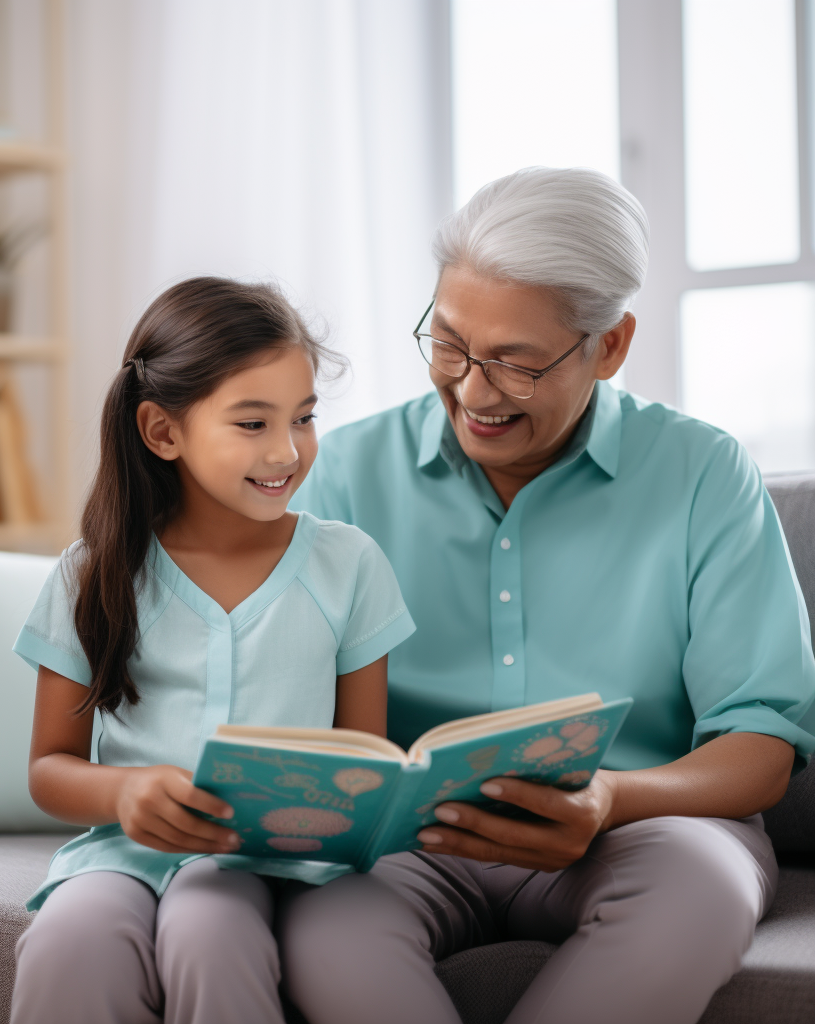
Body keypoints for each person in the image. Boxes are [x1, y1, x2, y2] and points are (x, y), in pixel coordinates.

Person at [284, 167, 815, 1024]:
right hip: (409, 845)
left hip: (645, 830)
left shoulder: (703, 474)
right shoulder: (340, 475)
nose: (472, 390)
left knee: (698, 891)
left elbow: (760, 744)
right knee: (318, 923)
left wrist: (610, 796)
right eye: (449, 345)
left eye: (515, 364)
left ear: (609, 346)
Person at [7, 276, 415, 1024]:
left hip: (274, 861)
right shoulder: (92, 574)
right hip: (123, 854)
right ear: (163, 432)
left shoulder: (349, 565)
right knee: (69, 938)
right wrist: (125, 794)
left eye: (305, 418)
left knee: (209, 922)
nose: (288, 451)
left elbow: (365, 762)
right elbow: (48, 768)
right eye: (252, 424)